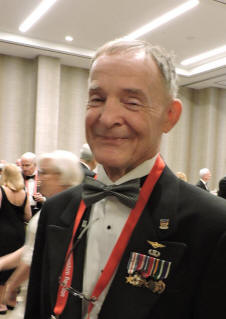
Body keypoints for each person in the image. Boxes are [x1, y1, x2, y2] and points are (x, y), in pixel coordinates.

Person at [25, 39, 226, 319]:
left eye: (132, 102)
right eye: (97, 99)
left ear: (170, 116)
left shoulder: (213, 225)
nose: (107, 118)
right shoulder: (56, 210)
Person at [1, 150, 84, 318]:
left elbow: (32, 257)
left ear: (62, 176)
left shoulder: (62, 210)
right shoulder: (53, 206)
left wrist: (11, 284)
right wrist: (3, 263)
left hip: (48, 290)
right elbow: (32, 247)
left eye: (45, 172)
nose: (40, 177)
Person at [0, 163, 31, 314]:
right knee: (14, 266)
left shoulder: (1, 191)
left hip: (3, 233)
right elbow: (28, 216)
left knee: (2, 265)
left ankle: (1, 304)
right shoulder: (24, 193)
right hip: (19, 232)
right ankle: (11, 299)